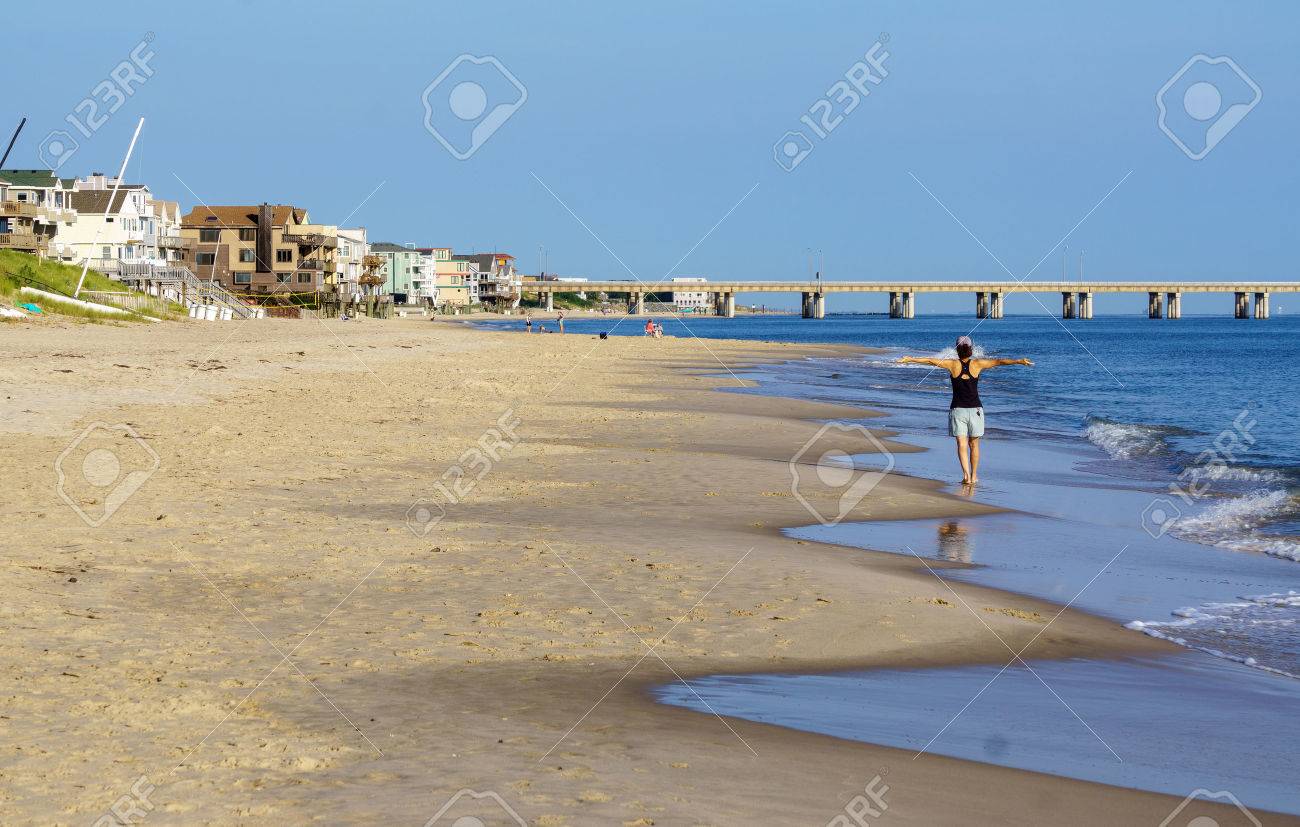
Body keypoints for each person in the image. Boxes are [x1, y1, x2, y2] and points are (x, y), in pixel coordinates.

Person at [898, 336, 1032, 485]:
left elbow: (930, 361)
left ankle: (967, 476)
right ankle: (974, 476)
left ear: (956, 349)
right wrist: (1019, 361)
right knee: (974, 444)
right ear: (971, 349)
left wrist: (910, 359)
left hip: (958, 410)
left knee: (962, 444)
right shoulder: (977, 363)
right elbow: (999, 362)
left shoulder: (952, 364)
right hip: (975, 410)